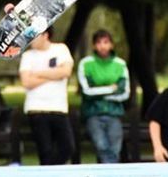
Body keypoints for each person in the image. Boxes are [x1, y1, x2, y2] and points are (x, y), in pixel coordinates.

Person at [18, 22, 75, 165]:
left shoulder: (61, 49)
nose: (30, 40)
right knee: (45, 150)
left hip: (58, 108)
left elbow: (66, 72)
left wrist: (37, 74)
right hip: (36, 109)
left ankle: (50, 170)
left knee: (67, 147)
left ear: (45, 35)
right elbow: (26, 82)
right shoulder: (28, 56)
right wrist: (53, 75)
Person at [77, 29, 130, 163]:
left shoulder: (120, 64)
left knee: (115, 148)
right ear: (94, 45)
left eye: (106, 42)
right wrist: (111, 88)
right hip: (93, 113)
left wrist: (99, 91)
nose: (102, 46)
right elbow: (87, 91)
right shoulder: (86, 63)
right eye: (99, 42)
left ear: (111, 44)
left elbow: (124, 92)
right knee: (101, 145)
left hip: (114, 113)